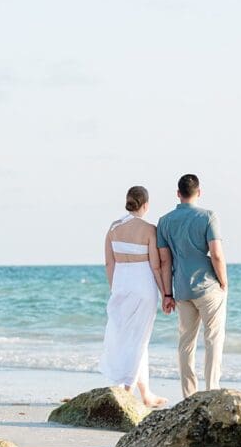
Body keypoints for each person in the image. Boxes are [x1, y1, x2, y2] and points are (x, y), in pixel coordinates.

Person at [156, 174, 228, 397]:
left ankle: (189, 395)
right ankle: (212, 390)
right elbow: (216, 254)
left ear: (178, 193)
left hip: (181, 289)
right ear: (199, 192)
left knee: (186, 343)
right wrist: (223, 281)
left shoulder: (164, 221)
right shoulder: (208, 216)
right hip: (207, 287)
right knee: (213, 338)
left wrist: (167, 294)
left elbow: (165, 261)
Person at [98, 185, 169, 408]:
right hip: (143, 286)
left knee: (125, 337)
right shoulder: (149, 229)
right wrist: (166, 293)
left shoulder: (113, 228)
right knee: (140, 339)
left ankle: (145, 393)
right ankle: (128, 390)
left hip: (121, 285)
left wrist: (115, 288)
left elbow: (109, 263)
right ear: (145, 205)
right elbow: (156, 266)